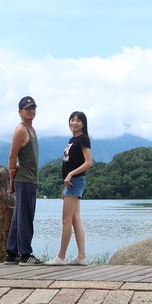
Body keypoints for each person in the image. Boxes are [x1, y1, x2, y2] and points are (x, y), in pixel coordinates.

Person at [45, 111, 93, 266]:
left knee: (66, 220)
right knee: (75, 220)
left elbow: (88, 162)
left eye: (78, 121)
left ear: (83, 124)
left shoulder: (83, 139)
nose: (74, 123)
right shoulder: (72, 139)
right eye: (72, 120)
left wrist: (71, 174)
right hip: (71, 183)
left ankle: (60, 257)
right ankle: (82, 257)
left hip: (75, 181)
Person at [4, 96, 44, 266]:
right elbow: (12, 156)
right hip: (24, 180)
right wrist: (11, 178)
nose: (31, 111)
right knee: (26, 218)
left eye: (33, 108)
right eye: (27, 108)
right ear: (20, 112)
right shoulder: (21, 130)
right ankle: (25, 254)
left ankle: (11, 253)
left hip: (29, 179)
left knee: (19, 217)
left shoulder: (32, 130)